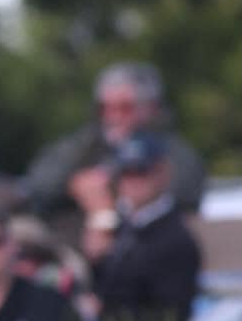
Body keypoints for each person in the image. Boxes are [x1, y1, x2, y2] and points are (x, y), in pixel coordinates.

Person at [23, 62, 207, 246]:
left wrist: (108, 200)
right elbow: (40, 186)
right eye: (105, 108)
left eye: (125, 108)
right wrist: (75, 182)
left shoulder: (170, 150)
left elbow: (183, 194)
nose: (113, 117)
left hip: (150, 251)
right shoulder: (87, 144)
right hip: (81, 253)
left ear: (151, 108)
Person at [84, 133, 201, 321]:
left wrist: (102, 314)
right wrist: (95, 260)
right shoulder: (118, 224)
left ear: (162, 173)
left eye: (141, 171)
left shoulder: (175, 239)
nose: (132, 181)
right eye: (125, 173)